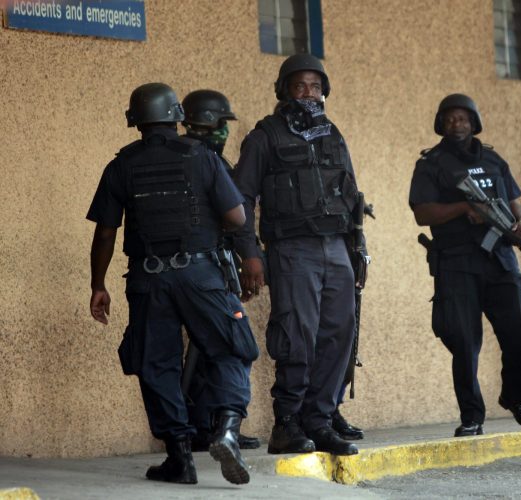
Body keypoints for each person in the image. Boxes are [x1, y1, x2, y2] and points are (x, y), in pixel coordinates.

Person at [87, 83, 257, 485]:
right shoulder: (203, 157)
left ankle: (180, 459)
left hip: (148, 279)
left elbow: (106, 232)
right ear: (177, 115)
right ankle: (227, 429)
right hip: (201, 275)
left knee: (156, 364)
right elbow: (237, 218)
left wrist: (98, 284)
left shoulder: (121, 165)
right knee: (232, 348)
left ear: (135, 120)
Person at [233, 54, 362, 456]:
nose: (308, 93)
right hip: (292, 249)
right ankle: (286, 423)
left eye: (315, 86)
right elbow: (239, 199)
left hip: (336, 247)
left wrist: (358, 250)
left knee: (339, 334)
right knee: (296, 335)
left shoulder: (332, 134)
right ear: (284, 90)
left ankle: (319, 421)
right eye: (300, 85)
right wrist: (250, 254)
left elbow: (351, 194)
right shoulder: (265, 137)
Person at [409, 93, 521, 438]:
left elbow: (514, 202)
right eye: (450, 119)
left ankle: (516, 397)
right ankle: (472, 416)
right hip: (457, 262)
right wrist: (464, 209)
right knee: (464, 342)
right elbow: (422, 213)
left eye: (463, 119)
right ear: (441, 124)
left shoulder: (493, 160)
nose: (457, 124)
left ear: (474, 122)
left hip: (499, 259)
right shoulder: (431, 164)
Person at [179, 89, 262, 451]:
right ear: (207, 123)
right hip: (208, 268)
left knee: (205, 347)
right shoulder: (209, 162)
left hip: (192, 267)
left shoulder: (184, 156)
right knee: (228, 344)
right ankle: (216, 424)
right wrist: (249, 258)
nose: (226, 132)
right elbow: (236, 218)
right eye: (222, 124)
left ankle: (204, 425)